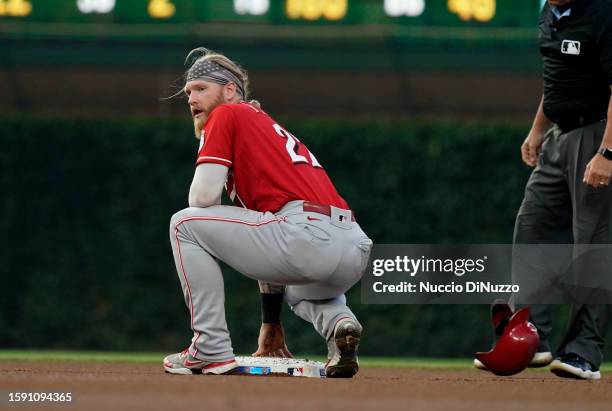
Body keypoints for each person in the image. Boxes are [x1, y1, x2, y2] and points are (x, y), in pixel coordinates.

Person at [162, 47, 373, 378]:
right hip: (352, 247)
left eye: (201, 88)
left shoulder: (226, 115)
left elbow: (202, 199)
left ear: (230, 91)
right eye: (188, 92)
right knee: (301, 286)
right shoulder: (261, 127)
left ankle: (209, 349)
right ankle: (340, 326)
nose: (191, 99)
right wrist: (271, 322)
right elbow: (266, 229)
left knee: (183, 224)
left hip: (305, 235)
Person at [509, 0, 612, 380]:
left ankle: (584, 351)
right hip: (558, 133)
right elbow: (558, 77)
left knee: (594, 244)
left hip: (597, 133)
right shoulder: (549, 11)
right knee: (532, 227)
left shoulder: (602, 12)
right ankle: (533, 338)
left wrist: (608, 152)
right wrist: (538, 129)